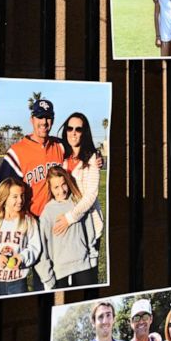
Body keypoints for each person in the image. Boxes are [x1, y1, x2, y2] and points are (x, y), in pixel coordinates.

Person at [0, 97, 64, 248]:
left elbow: (81, 148)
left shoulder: (60, 145)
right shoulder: (18, 151)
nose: (44, 122)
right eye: (40, 117)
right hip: (34, 222)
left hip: (58, 219)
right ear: (32, 119)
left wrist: (94, 153)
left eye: (48, 117)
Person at [55, 112, 105, 275]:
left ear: (85, 132)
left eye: (78, 129)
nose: (73, 133)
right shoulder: (61, 157)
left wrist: (70, 218)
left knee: (87, 276)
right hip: (67, 227)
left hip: (88, 226)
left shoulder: (92, 158)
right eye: (70, 128)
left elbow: (91, 195)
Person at [37, 166, 99, 289]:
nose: (61, 190)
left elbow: (89, 230)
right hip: (60, 272)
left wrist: (92, 257)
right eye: (56, 187)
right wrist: (48, 277)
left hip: (83, 265)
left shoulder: (77, 203)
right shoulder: (47, 213)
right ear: (50, 188)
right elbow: (42, 249)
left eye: (63, 184)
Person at [0, 179, 41, 298]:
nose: (20, 200)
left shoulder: (28, 221)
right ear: (4, 198)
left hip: (18, 281)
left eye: (22, 196)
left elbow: (34, 247)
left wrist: (21, 257)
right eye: (15, 197)